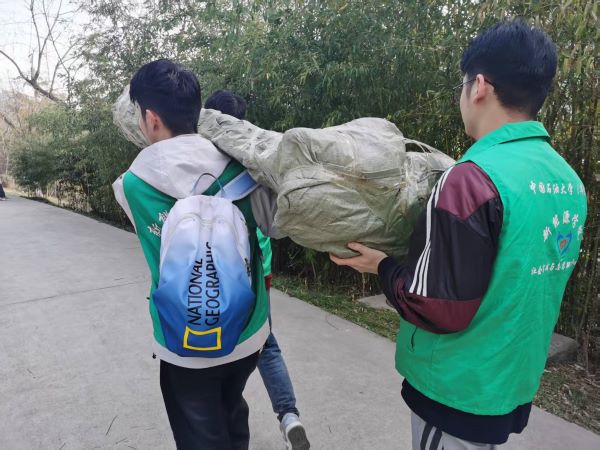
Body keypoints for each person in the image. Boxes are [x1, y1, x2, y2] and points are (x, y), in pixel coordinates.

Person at [331, 20, 587, 450]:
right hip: (511, 381)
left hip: (457, 389)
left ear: (479, 86)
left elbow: (437, 307)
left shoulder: (470, 180)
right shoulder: (567, 181)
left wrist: (383, 266)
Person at [112, 60, 275, 450]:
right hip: (248, 330)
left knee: (199, 434)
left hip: (183, 342)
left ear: (151, 118)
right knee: (232, 412)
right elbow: (274, 222)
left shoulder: (130, 186)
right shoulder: (245, 169)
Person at [204, 89, 310, 450]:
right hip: (256, 268)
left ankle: (221, 418)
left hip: (212, 272)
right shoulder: (254, 157)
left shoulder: (198, 161)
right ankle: (289, 415)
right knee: (265, 344)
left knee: (215, 346)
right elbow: (275, 225)